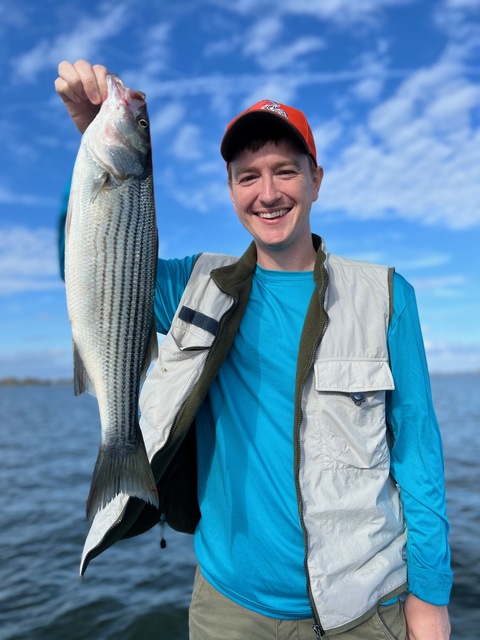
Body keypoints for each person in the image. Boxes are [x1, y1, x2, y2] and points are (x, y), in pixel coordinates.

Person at [55, 60, 453, 640]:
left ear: (316, 180)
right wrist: (86, 146)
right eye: (248, 176)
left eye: (285, 171)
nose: (268, 193)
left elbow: (418, 455)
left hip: (365, 609)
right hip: (227, 611)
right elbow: (91, 270)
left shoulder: (388, 296)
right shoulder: (194, 282)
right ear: (231, 190)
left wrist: (431, 597)